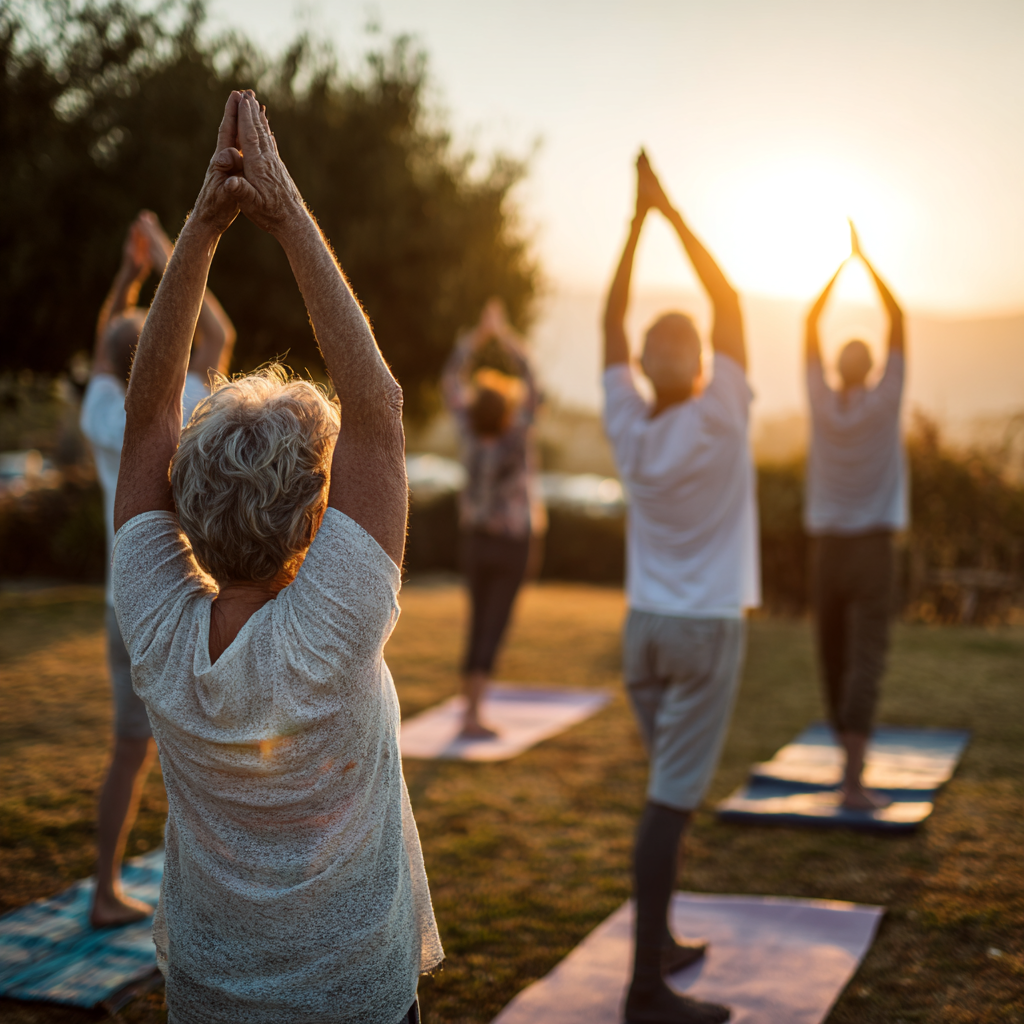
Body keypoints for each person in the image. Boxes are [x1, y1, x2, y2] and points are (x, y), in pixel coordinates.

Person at [109, 90, 442, 1023]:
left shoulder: (157, 624)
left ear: (183, 492)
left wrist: (203, 224)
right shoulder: (335, 628)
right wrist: (286, 213)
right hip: (358, 1003)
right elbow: (377, 406)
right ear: (316, 513)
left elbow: (145, 418)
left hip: (207, 1002)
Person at [603, 152, 760, 1024]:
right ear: (700, 362)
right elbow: (730, 301)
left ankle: (657, 943)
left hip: (644, 636)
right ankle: (643, 992)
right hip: (703, 635)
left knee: (669, 785)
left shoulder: (627, 419)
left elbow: (605, 327)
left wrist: (634, 225)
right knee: (669, 804)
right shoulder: (725, 407)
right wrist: (669, 213)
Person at [80, 209, 235, 927]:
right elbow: (217, 336)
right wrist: (177, 256)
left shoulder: (102, 408)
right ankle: (218, 890)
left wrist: (127, 278)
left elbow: (110, 349)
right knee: (213, 752)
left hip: (125, 601)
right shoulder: (181, 403)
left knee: (129, 752)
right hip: (178, 603)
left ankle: (107, 885)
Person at [804, 221, 907, 811]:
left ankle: (844, 768)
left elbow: (807, 327)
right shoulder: (886, 398)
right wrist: (865, 263)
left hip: (827, 552)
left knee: (833, 653)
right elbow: (899, 322)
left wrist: (835, 272)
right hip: (872, 548)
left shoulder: (820, 400)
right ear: (870, 369)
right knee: (865, 658)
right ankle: (851, 777)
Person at [441, 298, 545, 739]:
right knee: (494, 623)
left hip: (474, 540)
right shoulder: (515, 434)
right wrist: (505, 339)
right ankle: (471, 714)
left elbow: (450, 380)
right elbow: (535, 385)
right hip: (511, 543)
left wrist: (476, 339)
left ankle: (470, 707)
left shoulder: (468, 431)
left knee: (478, 618)